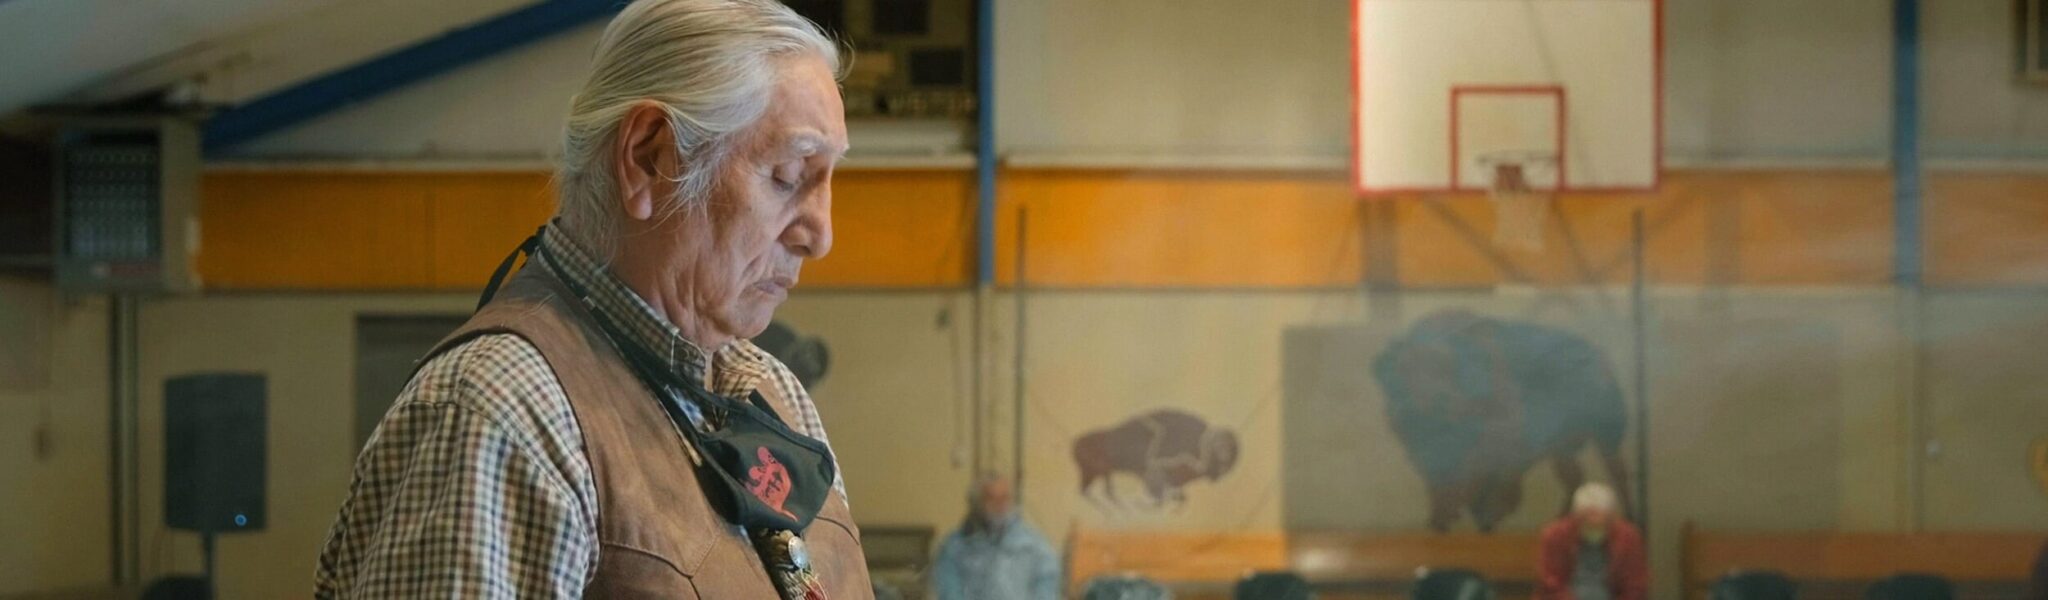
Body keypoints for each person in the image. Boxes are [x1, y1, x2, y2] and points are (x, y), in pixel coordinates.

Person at [313, 1, 869, 598]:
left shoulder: (772, 392)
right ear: (647, 157)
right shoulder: (505, 411)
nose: (821, 234)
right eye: (788, 175)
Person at [932, 475, 1062, 600]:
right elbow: (949, 591)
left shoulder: (1032, 543)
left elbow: (1047, 583)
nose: (999, 505)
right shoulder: (955, 547)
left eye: (1004, 498)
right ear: (976, 503)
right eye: (990, 498)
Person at [1537, 483, 1648, 600]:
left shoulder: (1628, 538)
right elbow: (1550, 583)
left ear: (1611, 517)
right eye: (1587, 521)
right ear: (1576, 517)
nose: (1594, 525)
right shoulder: (1556, 536)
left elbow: (1635, 585)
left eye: (1600, 522)